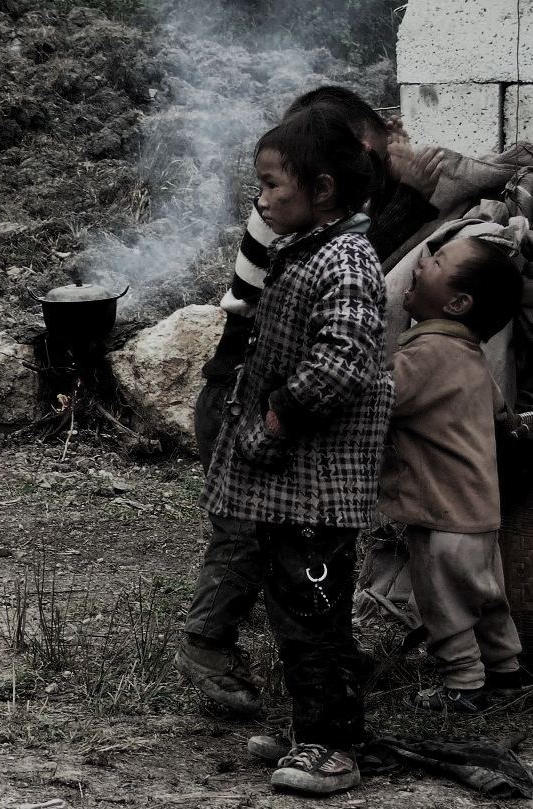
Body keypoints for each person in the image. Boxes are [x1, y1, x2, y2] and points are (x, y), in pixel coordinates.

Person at [175, 85, 444, 716]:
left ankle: (329, 664)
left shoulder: (318, 228)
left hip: (270, 403)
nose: (375, 168)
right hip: (247, 399)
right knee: (247, 536)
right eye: (372, 157)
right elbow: (353, 288)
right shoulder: (292, 229)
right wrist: (411, 198)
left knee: (303, 549)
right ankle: (209, 646)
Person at [199, 106, 394, 794]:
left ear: (323, 188)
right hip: (293, 487)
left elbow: (342, 362)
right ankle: (312, 731)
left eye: (272, 184)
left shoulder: (346, 260)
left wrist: (279, 416)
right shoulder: (307, 248)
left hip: (316, 484)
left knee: (313, 614)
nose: (262, 199)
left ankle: (333, 746)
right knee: (294, 609)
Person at [379, 235, 525, 712]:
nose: (421, 262)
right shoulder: (471, 358)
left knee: (445, 606)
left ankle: (463, 685)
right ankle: (506, 672)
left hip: (441, 516)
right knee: (486, 598)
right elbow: (502, 413)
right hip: (481, 513)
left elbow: (380, 399)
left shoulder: (426, 356)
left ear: (458, 302)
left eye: (436, 261)